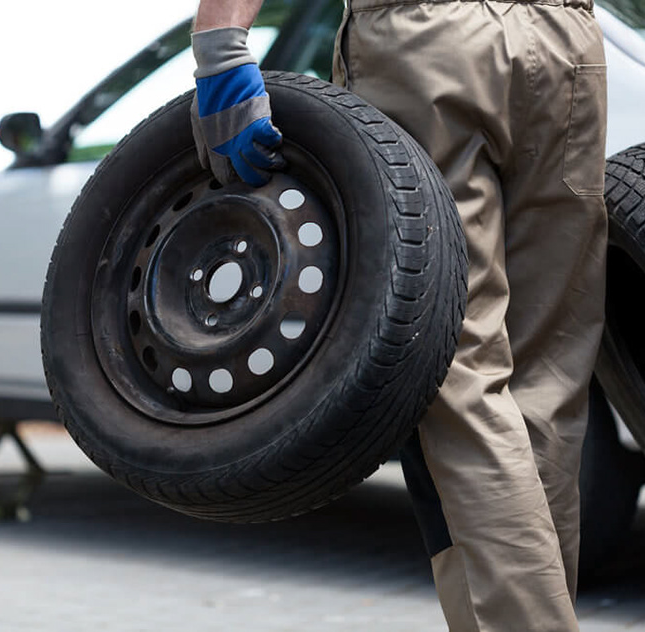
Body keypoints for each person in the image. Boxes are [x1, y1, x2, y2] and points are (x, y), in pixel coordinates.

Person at [190, 0, 608, 629]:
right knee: (546, 378)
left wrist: (219, 44)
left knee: (453, 366)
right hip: (566, 40)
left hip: (432, 38)